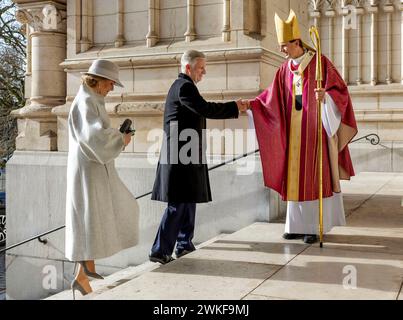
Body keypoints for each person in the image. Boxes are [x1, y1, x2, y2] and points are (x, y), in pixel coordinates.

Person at [248, 10, 358, 244]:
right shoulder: (283, 70)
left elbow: (341, 93)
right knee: (295, 177)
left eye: (284, 45)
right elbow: (271, 98)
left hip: (316, 132)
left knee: (312, 176)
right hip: (294, 134)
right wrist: (251, 105)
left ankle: (314, 226)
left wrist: (325, 97)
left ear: (296, 42)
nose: (281, 50)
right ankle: (295, 225)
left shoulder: (320, 63)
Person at [149, 50, 248, 264]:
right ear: (188, 68)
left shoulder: (186, 87)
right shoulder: (183, 87)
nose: (205, 71)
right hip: (180, 157)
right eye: (201, 67)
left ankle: (184, 244)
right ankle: (159, 249)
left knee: (189, 199)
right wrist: (234, 107)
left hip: (187, 154)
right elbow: (205, 109)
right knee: (179, 203)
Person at [65, 59, 139, 298]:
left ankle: (84, 274)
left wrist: (117, 137)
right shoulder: (87, 101)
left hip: (93, 166)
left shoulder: (91, 99)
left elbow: (96, 136)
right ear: (98, 81)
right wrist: (121, 139)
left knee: (91, 218)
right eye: (110, 83)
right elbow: (94, 137)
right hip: (90, 167)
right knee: (90, 217)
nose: (112, 88)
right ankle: (83, 275)